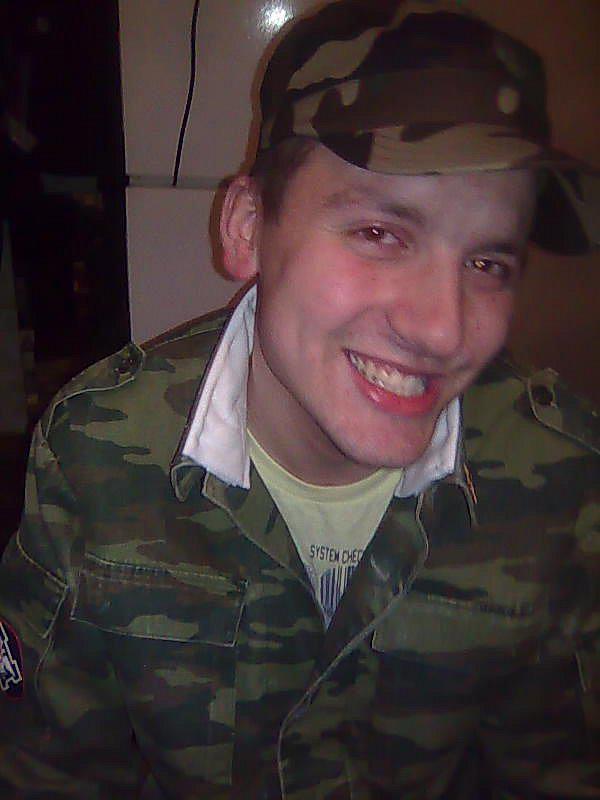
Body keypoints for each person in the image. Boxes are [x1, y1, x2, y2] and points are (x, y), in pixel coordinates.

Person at [1, 1, 598, 797]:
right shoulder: (95, 455)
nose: (443, 329)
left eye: (488, 262)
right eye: (381, 233)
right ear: (248, 226)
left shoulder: (561, 476)